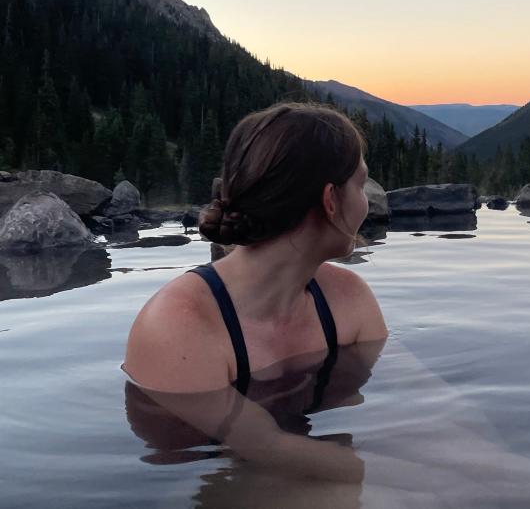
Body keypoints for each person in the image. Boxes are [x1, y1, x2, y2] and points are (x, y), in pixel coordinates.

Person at [123, 102, 387, 482]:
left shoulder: (348, 298)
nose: (367, 202)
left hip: (305, 469)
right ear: (331, 201)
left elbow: (423, 398)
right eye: (361, 185)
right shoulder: (177, 325)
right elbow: (265, 446)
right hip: (206, 483)